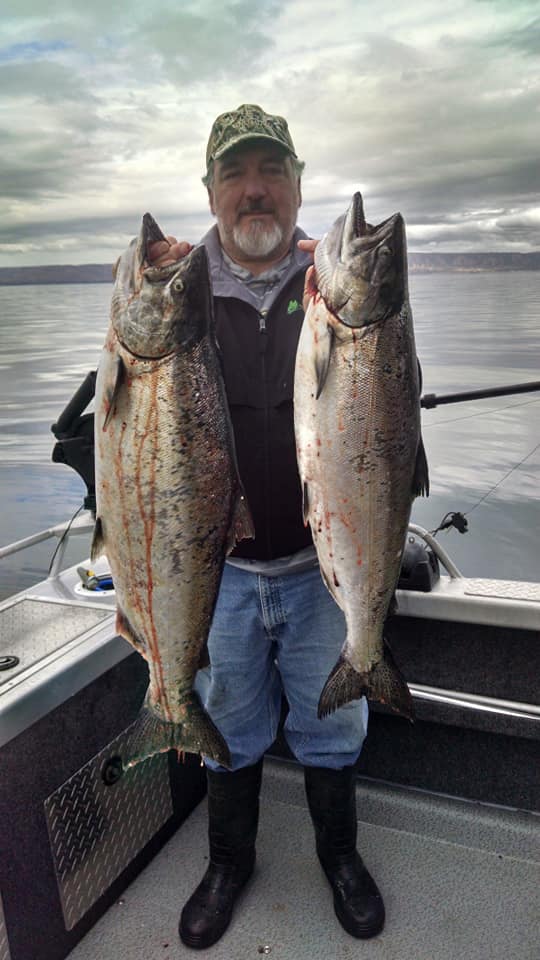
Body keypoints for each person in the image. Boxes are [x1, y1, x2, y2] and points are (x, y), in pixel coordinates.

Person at [148, 104, 385, 950]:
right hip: (217, 575)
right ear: (210, 189)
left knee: (333, 726)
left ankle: (340, 856)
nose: (255, 190)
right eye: (235, 174)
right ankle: (228, 863)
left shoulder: (327, 283)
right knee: (228, 722)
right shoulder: (176, 292)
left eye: (272, 171)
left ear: (297, 185)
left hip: (322, 571)